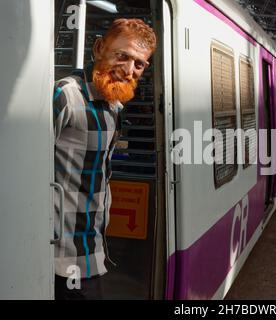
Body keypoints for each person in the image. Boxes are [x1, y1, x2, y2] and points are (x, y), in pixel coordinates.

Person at [53, 19, 157, 300]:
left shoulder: (113, 106)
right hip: (59, 255)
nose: (128, 70)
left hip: (91, 247)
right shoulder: (65, 96)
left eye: (139, 64)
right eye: (121, 56)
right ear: (99, 48)